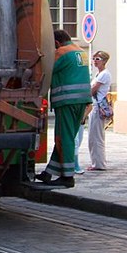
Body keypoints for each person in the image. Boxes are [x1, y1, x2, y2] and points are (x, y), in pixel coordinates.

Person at [36, 30, 92, 188]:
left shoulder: (61, 52)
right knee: (65, 136)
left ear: (57, 43)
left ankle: (67, 176)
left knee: (64, 138)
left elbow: (46, 69)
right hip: (82, 100)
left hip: (67, 100)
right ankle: (49, 173)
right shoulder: (81, 52)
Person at [87, 51, 112, 171]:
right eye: (94, 58)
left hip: (98, 107)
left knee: (96, 136)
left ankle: (99, 164)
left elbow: (93, 90)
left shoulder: (104, 74)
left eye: (98, 59)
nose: (95, 61)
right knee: (93, 135)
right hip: (94, 106)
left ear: (104, 61)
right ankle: (95, 162)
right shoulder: (98, 74)